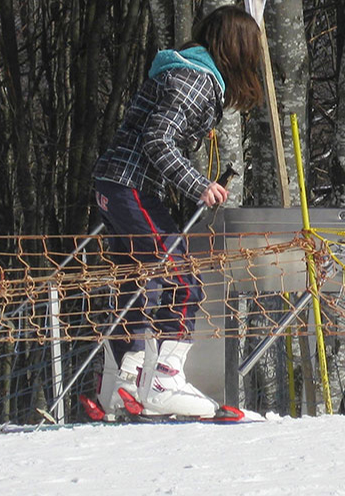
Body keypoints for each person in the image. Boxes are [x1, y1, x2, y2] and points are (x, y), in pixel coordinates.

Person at [92, 5, 263, 419]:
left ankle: (123, 381)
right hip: (132, 186)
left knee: (137, 281)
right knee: (184, 281)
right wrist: (199, 185)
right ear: (238, 50)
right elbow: (159, 139)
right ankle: (163, 382)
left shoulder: (182, 71)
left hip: (113, 184)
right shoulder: (197, 79)